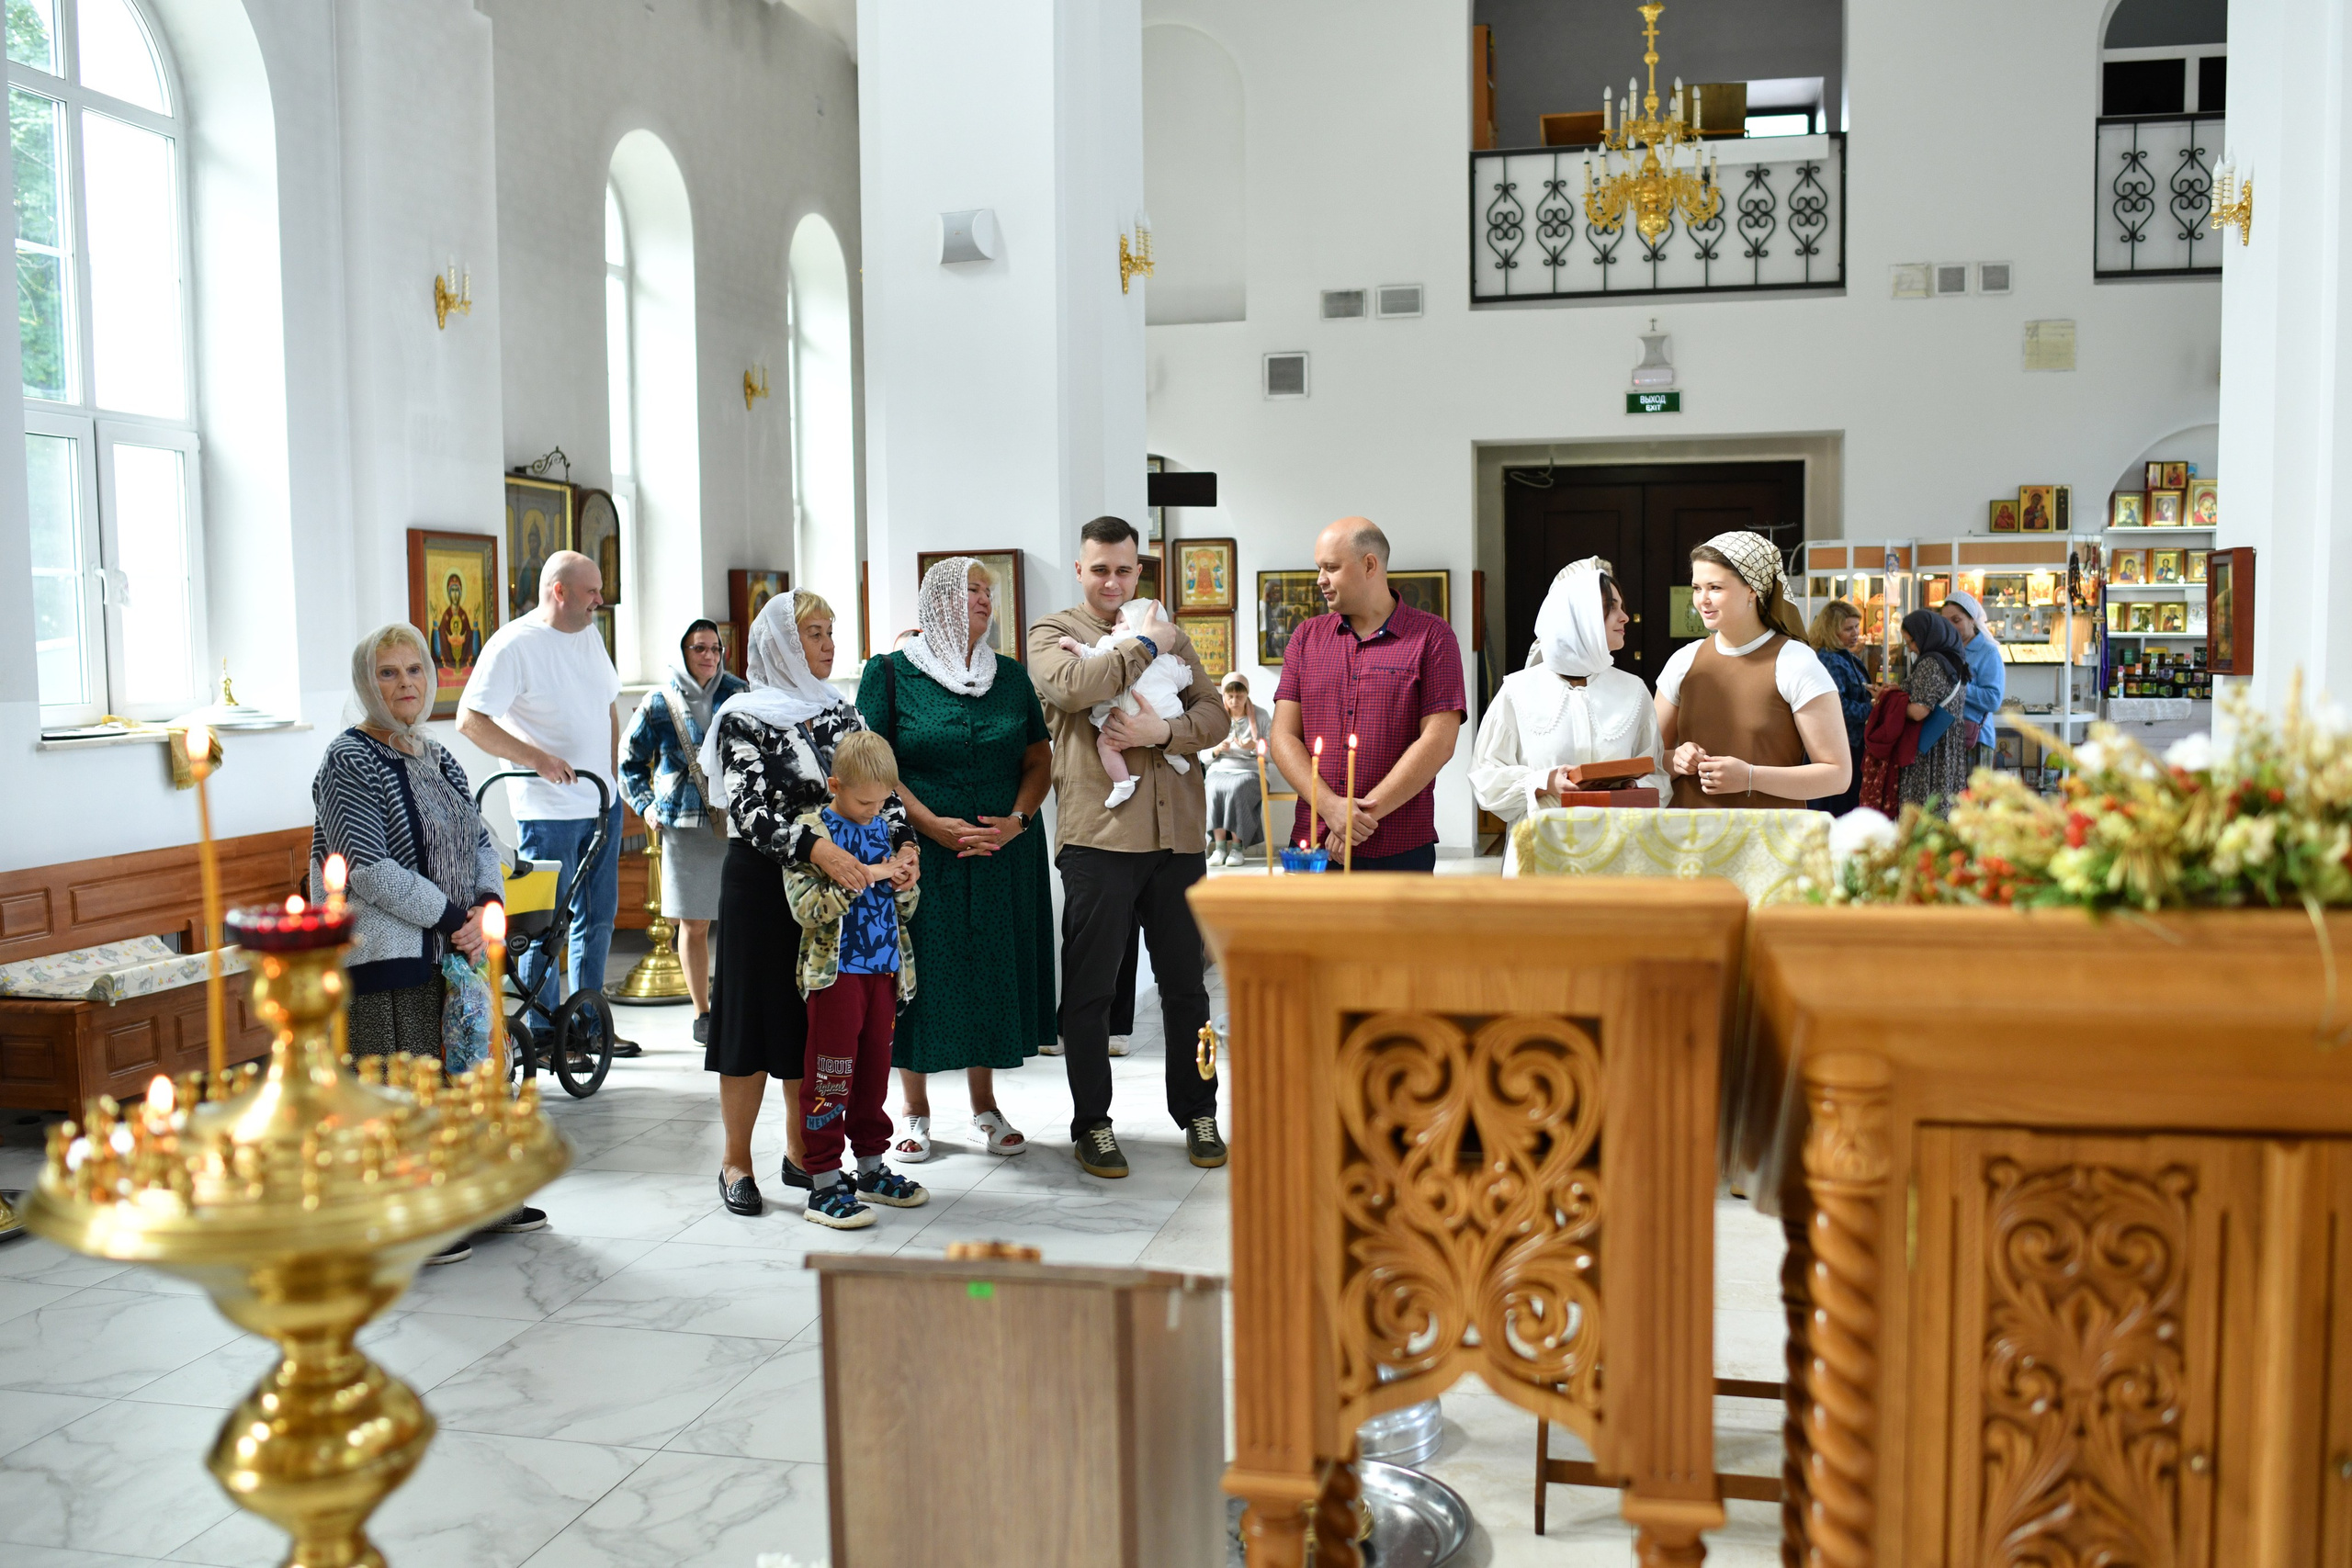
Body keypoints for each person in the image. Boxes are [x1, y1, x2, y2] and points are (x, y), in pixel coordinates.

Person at [314, 622, 541, 1261]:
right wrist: (449, 917)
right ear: (367, 685)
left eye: (414, 669)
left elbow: (479, 838)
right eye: (387, 673)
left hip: (453, 946)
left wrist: (487, 904)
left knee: (466, 1072)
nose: (405, 684)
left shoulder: (436, 755)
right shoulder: (349, 759)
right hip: (388, 951)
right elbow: (365, 866)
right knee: (404, 1081)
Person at [703, 590, 918, 1214]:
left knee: (810, 1026)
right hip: (764, 884)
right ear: (780, 646)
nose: (828, 644)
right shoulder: (743, 717)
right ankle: (736, 1160)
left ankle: (803, 1154)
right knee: (749, 1027)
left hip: (838, 892)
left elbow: (883, 787)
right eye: (814, 634)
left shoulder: (839, 711)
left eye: (830, 631)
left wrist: (905, 844)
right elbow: (749, 809)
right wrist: (817, 849)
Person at [1029, 514, 1228, 1180]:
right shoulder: (1052, 632)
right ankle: (1092, 1122)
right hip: (1100, 839)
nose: (1112, 581)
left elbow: (1213, 713)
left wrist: (1160, 732)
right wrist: (1148, 642)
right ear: (1079, 570)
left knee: (1187, 989)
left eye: (1123, 569)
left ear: (1137, 569)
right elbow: (1075, 687)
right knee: (1090, 991)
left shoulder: (1168, 627)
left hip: (1178, 839)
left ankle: (1198, 1111)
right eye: (1100, 569)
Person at [857, 557, 1054, 1164]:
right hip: (918, 852)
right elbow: (873, 763)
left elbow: (1039, 759)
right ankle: (913, 1110)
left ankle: (984, 1107)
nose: (984, 599)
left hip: (1000, 853)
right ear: (938, 600)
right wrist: (931, 824)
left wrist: (1017, 821)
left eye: (987, 590)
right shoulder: (890, 673)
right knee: (919, 972)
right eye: (971, 589)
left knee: (988, 971)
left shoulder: (1010, 676)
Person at [456, 550, 638, 1057]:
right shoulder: (514, 645)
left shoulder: (589, 634)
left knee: (597, 919)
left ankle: (587, 1025)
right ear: (559, 591)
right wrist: (537, 759)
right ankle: (540, 1031)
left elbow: (607, 705)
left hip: (601, 802)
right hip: (547, 810)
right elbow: (470, 720)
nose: (601, 599)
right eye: (591, 591)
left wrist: (611, 772)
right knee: (547, 926)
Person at [782, 730, 928, 1230]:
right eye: (864, 802)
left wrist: (903, 883)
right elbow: (805, 909)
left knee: (873, 1075)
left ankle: (870, 1169)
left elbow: (904, 909)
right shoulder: (811, 833)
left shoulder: (885, 828)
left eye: (882, 801)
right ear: (835, 785)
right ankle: (823, 1182)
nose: (873, 811)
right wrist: (863, 876)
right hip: (836, 978)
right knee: (830, 1077)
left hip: (885, 973)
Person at [1268, 518, 1466, 872]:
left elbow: (1439, 741)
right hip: (1314, 844)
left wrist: (1357, 819)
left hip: (1399, 846)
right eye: (1319, 568)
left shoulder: (1432, 637)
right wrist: (1331, 808)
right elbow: (1283, 736)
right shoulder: (1305, 638)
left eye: (1331, 568)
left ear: (1370, 565)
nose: (1320, 580)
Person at [1469, 558, 1665, 865]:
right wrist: (1545, 782)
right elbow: (1486, 778)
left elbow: (1658, 774)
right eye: (1610, 607)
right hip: (1543, 849)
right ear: (1578, 617)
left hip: (1617, 849)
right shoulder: (1518, 690)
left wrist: (1635, 787)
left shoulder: (1634, 690)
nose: (1625, 617)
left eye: (1622, 606)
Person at [1656, 533, 1852, 808]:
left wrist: (1750, 777)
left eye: (1715, 588)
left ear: (1752, 590)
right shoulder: (1683, 660)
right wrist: (1675, 759)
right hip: (1689, 830)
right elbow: (1647, 758)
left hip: (1769, 831)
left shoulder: (1794, 661)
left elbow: (1837, 775)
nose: (1702, 600)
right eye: (1697, 588)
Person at [619, 619, 747, 1042]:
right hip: (684, 825)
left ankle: (736, 1005)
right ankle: (703, 1013)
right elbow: (629, 760)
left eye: (715, 648)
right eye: (699, 648)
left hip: (736, 823)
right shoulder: (659, 701)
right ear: (684, 652)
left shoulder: (740, 693)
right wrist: (646, 805)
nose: (709, 656)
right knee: (693, 924)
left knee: (739, 920)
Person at [1056, 597, 1196, 808]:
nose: (1114, 627)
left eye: (1121, 622)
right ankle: (1174, 755)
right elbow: (1183, 680)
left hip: (1122, 718)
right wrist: (1181, 666)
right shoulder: (1167, 657)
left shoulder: (1115, 644)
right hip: (1164, 714)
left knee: (1105, 744)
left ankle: (1122, 783)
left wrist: (1076, 647)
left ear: (1140, 624)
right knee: (1173, 727)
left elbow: (1094, 658)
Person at [1890, 609, 1973, 809]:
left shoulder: (1930, 663)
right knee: (1946, 807)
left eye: (1911, 642)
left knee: (1924, 810)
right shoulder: (1954, 660)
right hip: (1948, 746)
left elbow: (1919, 711)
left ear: (1926, 635)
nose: (1910, 649)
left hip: (1929, 749)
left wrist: (1890, 703)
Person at [1204, 672, 1287, 865]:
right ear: (1223, 696)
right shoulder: (1216, 717)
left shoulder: (1261, 716)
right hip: (1220, 770)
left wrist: (1255, 747)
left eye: (1239, 696)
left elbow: (1275, 754)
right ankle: (1219, 848)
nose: (1234, 701)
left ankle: (1237, 848)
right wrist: (1217, 749)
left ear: (1247, 694)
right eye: (1230, 696)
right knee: (1213, 787)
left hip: (1253, 772)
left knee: (1238, 788)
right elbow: (1203, 756)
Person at [1805, 601, 1871, 816]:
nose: (1855, 633)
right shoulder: (1830, 660)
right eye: (1848, 628)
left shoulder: (1843, 654)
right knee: (1841, 806)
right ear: (1831, 631)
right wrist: (1871, 708)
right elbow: (1837, 706)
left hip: (1848, 741)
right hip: (1840, 744)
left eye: (1857, 626)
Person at [1939, 589, 2007, 769]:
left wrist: (1957, 686)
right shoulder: (1945, 651)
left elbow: (1993, 700)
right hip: (1946, 737)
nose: (1951, 627)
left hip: (1975, 739)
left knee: (1973, 788)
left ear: (1972, 619)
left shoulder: (1988, 652)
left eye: (1956, 620)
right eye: (1946, 622)